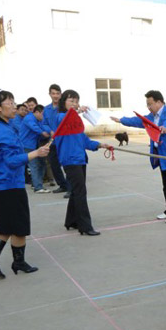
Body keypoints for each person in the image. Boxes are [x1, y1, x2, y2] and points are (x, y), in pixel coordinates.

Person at [0, 89, 50, 279]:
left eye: (13, 101)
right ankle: (2, 261)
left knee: (8, 226)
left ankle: (10, 261)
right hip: (9, 184)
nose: (14, 106)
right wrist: (36, 153)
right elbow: (11, 160)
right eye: (10, 102)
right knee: (17, 226)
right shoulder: (0, 130)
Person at [113, 90, 166, 224]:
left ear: (159, 102)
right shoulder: (151, 117)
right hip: (163, 157)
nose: (148, 107)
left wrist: (165, 128)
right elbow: (138, 120)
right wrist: (121, 120)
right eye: (147, 104)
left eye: (150, 104)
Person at [53, 89, 110, 236]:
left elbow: (83, 140)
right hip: (70, 160)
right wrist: (77, 111)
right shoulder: (60, 117)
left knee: (76, 191)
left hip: (80, 158)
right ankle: (85, 226)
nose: (74, 103)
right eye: (71, 101)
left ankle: (71, 221)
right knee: (80, 192)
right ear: (63, 102)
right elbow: (66, 120)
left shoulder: (76, 121)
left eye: (76, 101)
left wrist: (99, 145)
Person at [43, 84, 70, 195]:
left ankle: (70, 188)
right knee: (54, 165)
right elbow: (44, 123)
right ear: (49, 94)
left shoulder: (64, 108)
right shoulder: (46, 109)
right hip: (53, 141)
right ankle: (62, 185)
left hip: (64, 141)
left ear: (61, 94)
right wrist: (50, 131)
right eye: (53, 93)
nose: (55, 96)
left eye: (57, 93)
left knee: (67, 165)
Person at [19, 104, 51, 193]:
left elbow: (43, 127)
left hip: (34, 146)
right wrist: (43, 133)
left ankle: (35, 183)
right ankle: (38, 187)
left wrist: (50, 131)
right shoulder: (29, 118)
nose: (43, 117)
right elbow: (35, 127)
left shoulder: (38, 120)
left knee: (41, 164)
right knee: (34, 166)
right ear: (37, 112)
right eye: (42, 114)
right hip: (27, 146)